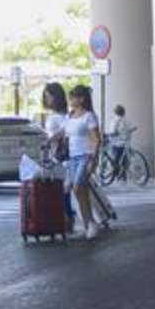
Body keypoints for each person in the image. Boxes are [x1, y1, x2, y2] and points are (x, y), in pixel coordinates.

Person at [63, 85, 103, 240]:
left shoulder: (89, 116)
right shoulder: (70, 116)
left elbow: (96, 138)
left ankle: (91, 223)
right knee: (79, 190)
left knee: (78, 186)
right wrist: (50, 139)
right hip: (73, 157)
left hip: (85, 156)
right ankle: (89, 223)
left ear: (82, 99)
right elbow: (64, 132)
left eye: (73, 97)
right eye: (70, 97)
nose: (71, 100)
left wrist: (94, 158)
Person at [41, 82, 75, 231]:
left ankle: (67, 218)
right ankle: (68, 218)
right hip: (67, 156)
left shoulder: (57, 118)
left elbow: (60, 134)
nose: (46, 99)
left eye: (48, 96)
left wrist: (49, 140)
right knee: (65, 188)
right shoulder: (68, 115)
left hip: (61, 157)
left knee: (63, 189)